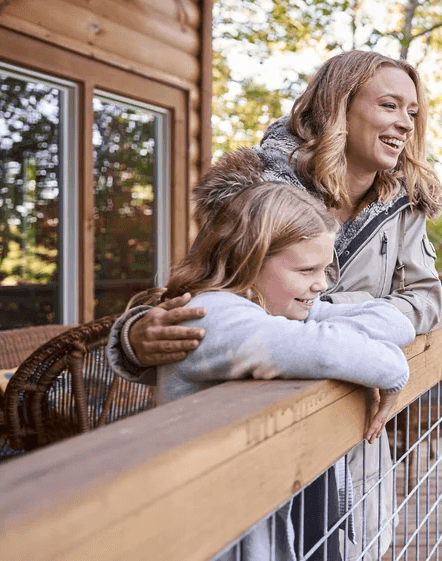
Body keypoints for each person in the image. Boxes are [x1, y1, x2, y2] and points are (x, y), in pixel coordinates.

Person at [104, 50, 442, 561]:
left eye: (412, 113)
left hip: (352, 411)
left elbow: (424, 299)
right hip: (250, 426)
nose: (404, 123)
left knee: (353, 541)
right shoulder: (257, 188)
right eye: (390, 105)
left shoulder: (406, 201)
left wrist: (319, 313)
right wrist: (133, 336)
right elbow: (207, 284)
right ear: (339, 107)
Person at [142, 181, 414, 561]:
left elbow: (395, 321)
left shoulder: (275, 308)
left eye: (324, 268)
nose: (320, 285)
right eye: (306, 270)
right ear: (250, 260)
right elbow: (322, 349)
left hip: (274, 504)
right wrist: (394, 369)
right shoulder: (212, 317)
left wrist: (315, 313)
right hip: (220, 531)